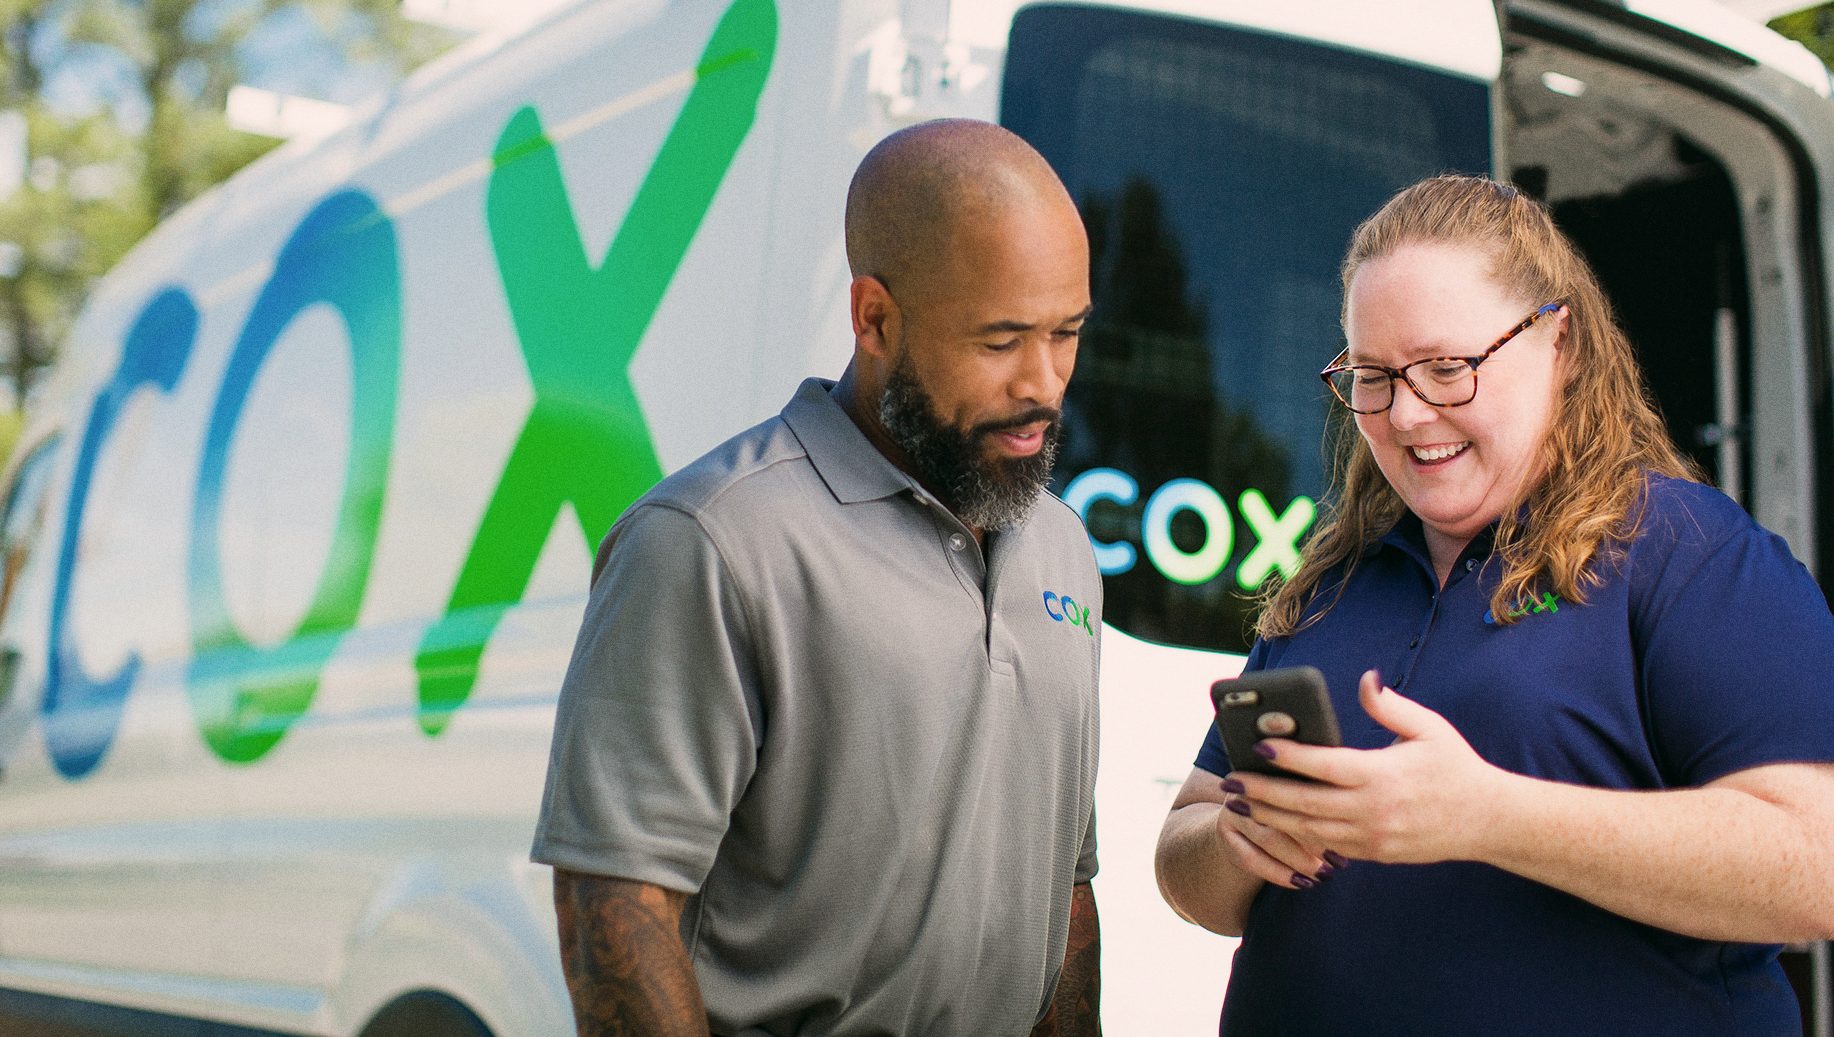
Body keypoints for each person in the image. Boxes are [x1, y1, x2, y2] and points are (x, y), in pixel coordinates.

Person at [1154, 174, 1834, 1035]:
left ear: (1562, 343)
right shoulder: (1335, 578)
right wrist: (1238, 842)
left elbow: (1816, 867)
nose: (1404, 413)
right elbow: (1188, 854)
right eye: (1372, 376)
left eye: (1447, 368)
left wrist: (1488, 815)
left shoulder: (1687, 553)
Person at [531, 119, 1103, 1037]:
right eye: (1000, 342)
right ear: (874, 317)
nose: (1044, 383)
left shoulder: (1065, 549)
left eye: (1067, 332)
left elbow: (1065, 886)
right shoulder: (710, 539)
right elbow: (616, 906)